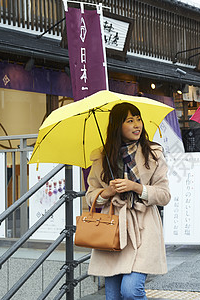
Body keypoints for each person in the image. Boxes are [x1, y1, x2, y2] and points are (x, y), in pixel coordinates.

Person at [85, 102, 171, 300]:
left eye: (138, 119)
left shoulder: (153, 153)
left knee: (131, 291)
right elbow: (90, 196)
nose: (137, 125)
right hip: (113, 229)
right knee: (113, 297)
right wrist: (107, 192)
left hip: (144, 227)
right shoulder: (101, 156)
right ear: (117, 126)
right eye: (130, 120)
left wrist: (136, 187)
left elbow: (164, 195)